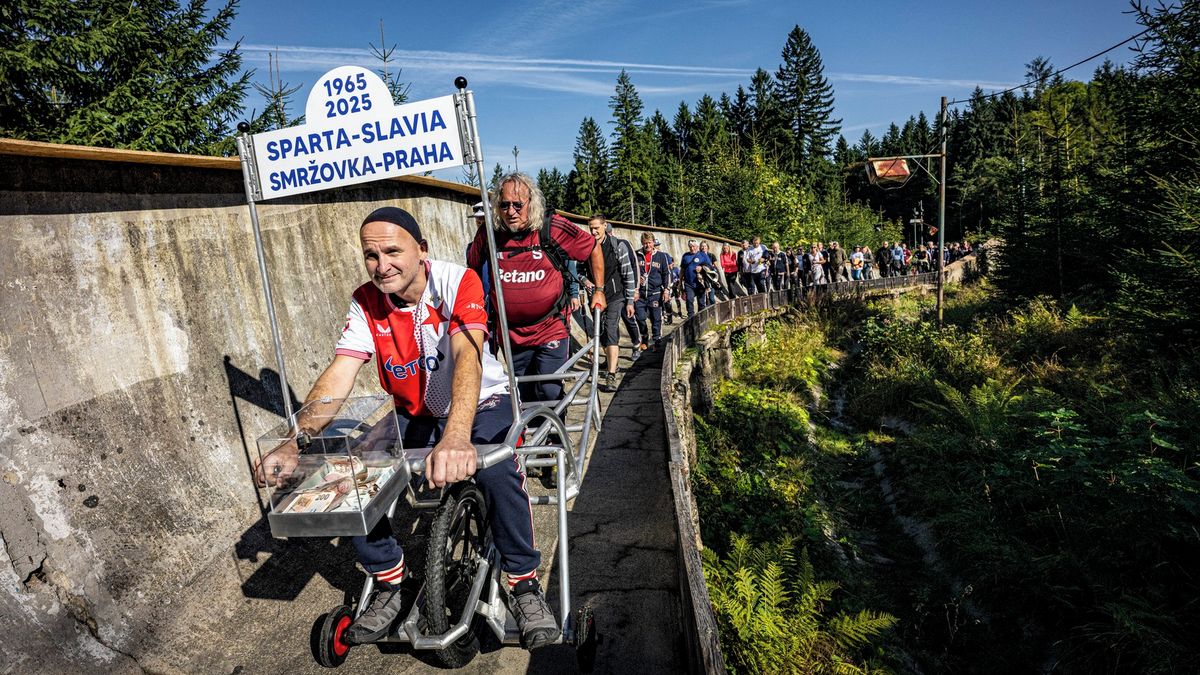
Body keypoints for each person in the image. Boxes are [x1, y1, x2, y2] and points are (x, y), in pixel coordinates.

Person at [254, 206, 558, 650]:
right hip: (413, 412)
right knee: (352, 474)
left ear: (422, 249)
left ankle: (523, 583)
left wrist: (457, 436)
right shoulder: (365, 301)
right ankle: (389, 581)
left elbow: (467, 357)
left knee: (495, 467)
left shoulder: (457, 281)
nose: (382, 266)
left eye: (392, 251)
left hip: (481, 401)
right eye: (370, 256)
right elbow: (340, 374)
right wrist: (293, 442)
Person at [466, 173, 605, 404]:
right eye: (504, 205)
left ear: (531, 203)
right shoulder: (490, 234)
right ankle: (536, 437)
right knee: (522, 393)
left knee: (548, 389)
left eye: (518, 205)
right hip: (510, 333)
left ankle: (553, 434)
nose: (511, 211)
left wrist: (599, 289)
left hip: (550, 326)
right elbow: (472, 266)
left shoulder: (551, 227)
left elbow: (592, 248)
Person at [582, 215, 637, 392]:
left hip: (615, 295)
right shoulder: (586, 247)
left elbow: (628, 274)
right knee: (601, 331)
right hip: (596, 297)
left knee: (611, 329)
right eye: (591, 228)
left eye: (596, 228)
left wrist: (629, 300)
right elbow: (578, 270)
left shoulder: (617, 246)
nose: (593, 231)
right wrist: (585, 281)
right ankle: (610, 361)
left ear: (605, 226)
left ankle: (611, 375)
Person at [635, 233, 672, 350]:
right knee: (640, 318)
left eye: (649, 243)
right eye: (645, 243)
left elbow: (666, 274)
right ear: (642, 243)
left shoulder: (661, 256)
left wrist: (666, 290)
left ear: (653, 243)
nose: (647, 245)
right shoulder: (637, 255)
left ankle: (656, 341)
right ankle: (644, 337)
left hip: (655, 293)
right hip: (640, 294)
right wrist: (637, 279)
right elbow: (632, 271)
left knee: (656, 319)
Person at [680, 239, 715, 316]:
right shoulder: (685, 256)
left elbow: (710, 267)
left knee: (701, 303)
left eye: (694, 246)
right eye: (690, 247)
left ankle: (701, 318)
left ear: (697, 246)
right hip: (688, 283)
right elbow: (682, 269)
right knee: (689, 300)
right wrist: (680, 283)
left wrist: (702, 268)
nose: (692, 248)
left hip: (700, 283)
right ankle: (691, 318)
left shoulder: (703, 255)